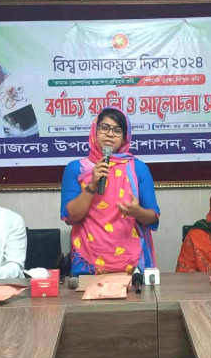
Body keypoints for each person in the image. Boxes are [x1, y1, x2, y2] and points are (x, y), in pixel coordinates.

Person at [60, 107, 160, 275]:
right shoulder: (76, 168)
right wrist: (92, 185)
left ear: (125, 138)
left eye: (117, 130)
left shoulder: (138, 168)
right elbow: (70, 217)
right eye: (104, 128)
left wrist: (137, 212)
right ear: (95, 131)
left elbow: (153, 217)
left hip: (132, 262)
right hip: (88, 261)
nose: (110, 134)